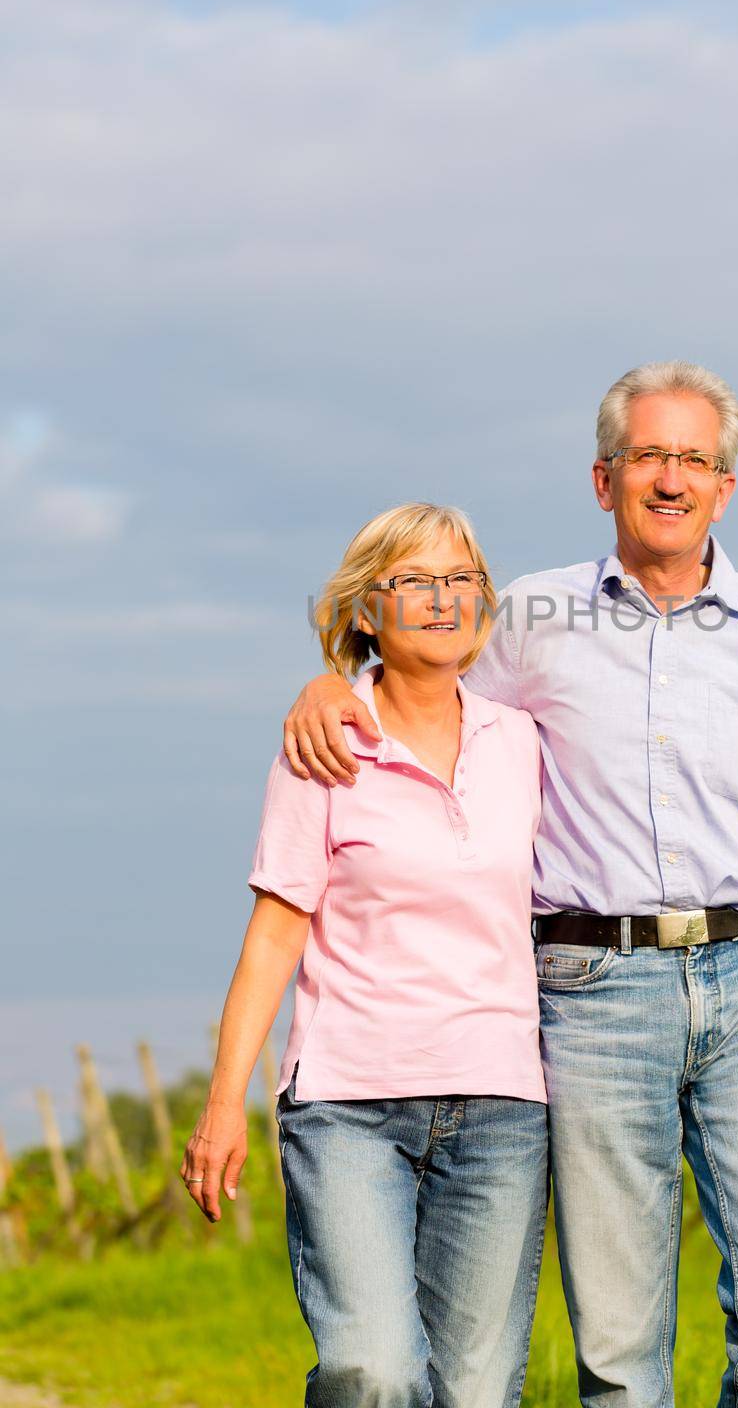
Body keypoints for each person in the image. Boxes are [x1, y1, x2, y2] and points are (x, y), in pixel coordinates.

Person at [285, 360, 738, 1408]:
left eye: (694, 460)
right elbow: (419, 686)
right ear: (602, 478)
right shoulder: (529, 618)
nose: (670, 478)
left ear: (723, 487)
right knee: (620, 1350)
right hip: (586, 989)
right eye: (648, 456)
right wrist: (333, 680)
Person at [180, 502, 552, 1408]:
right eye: (413, 581)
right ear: (363, 610)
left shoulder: (526, 742)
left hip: (501, 1104)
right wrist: (224, 1103)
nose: (441, 599)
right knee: (372, 1371)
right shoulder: (325, 746)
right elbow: (275, 931)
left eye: (460, 579)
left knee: (476, 1389)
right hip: (348, 1104)